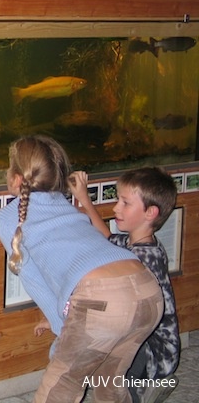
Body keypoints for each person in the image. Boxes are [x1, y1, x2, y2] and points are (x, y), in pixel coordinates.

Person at [0, 135, 164, 403]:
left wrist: (63, 332)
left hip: (103, 303)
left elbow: (35, 282)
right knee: (110, 384)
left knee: (60, 388)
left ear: (16, 178)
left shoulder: (6, 218)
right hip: (148, 291)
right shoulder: (65, 205)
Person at [70, 168, 180, 403]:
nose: (115, 208)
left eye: (125, 203)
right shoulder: (137, 243)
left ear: (150, 212)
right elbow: (107, 238)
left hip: (154, 350)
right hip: (145, 339)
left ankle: (140, 390)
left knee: (109, 362)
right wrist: (84, 199)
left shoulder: (143, 257)